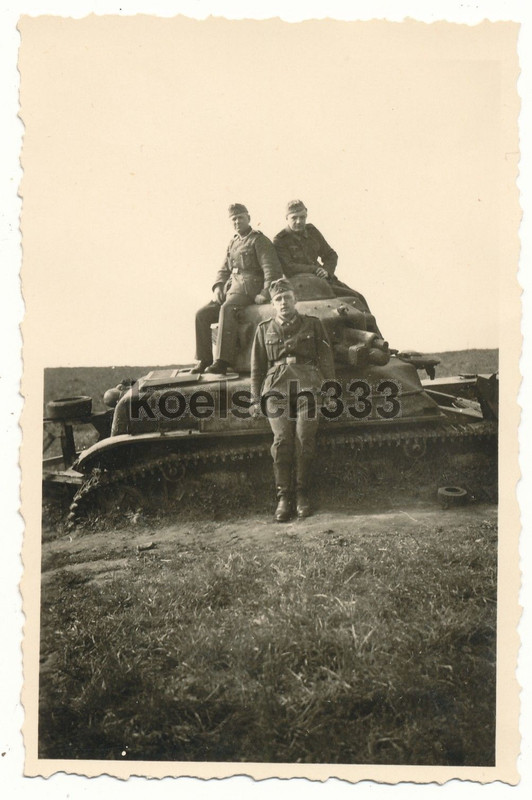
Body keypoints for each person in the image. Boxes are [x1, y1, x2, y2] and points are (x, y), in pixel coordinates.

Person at [251, 278, 335, 522]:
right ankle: (283, 497)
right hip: (275, 389)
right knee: (281, 439)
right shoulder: (263, 329)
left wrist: (330, 392)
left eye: (287, 297)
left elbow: (326, 360)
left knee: (304, 437)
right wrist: (256, 400)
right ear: (272, 304)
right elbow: (257, 369)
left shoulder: (313, 324)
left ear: (295, 300)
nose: (283, 302)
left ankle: (302, 494)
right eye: (278, 299)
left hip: (308, 386)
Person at [192, 204, 282, 375]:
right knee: (202, 314)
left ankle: (222, 361)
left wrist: (265, 293)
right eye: (234, 219)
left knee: (227, 309)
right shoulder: (233, 242)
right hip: (231, 288)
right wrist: (218, 286)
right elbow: (224, 269)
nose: (237, 221)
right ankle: (205, 359)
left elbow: (272, 269)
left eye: (240, 217)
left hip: (250, 288)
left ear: (248, 218)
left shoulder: (259, 240)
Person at [273, 199, 363, 300]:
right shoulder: (280, 240)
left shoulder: (312, 231)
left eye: (302, 217)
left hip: (322, 281)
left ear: (306, 216)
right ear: (286, 218)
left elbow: (330, 255)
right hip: (298, 285)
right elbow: (289, 267)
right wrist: (315, 269)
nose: (299, 221)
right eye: (294, 218)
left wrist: (327, 271)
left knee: (358, 298)